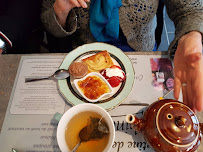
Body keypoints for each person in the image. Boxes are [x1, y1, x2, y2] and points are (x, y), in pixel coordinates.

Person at [41, 0, 203, 112]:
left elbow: (190, 9)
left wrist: (191, 36)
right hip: (85, 57)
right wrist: (60, 11)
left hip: (143, 53)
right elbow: (51, 26)